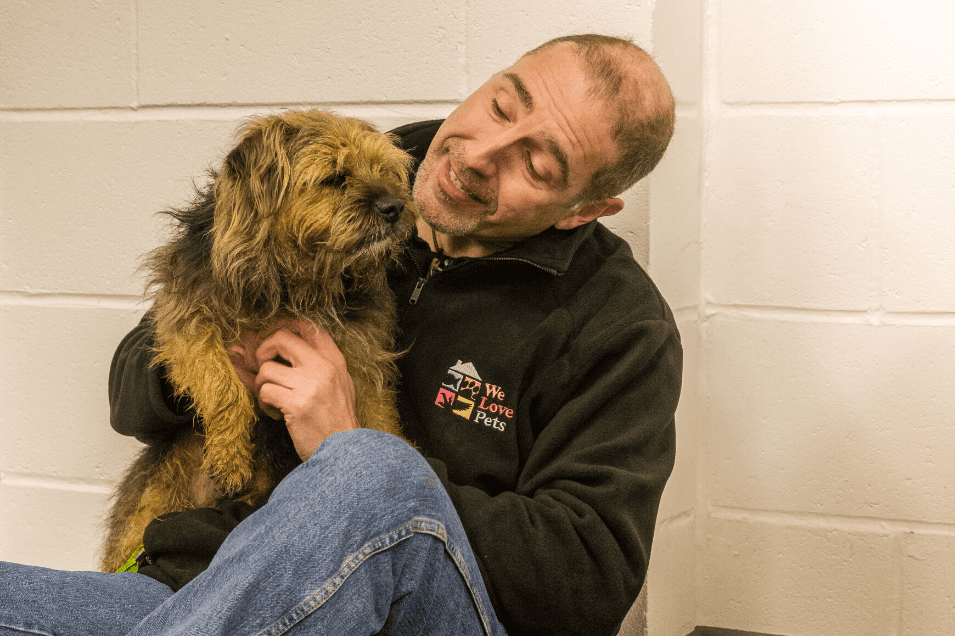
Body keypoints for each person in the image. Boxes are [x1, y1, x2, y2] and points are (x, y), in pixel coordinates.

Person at [0, 34, 682, 636]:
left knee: (371, 469)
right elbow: (131, 396)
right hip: (212, 591)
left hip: (421, 612)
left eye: (538, 165)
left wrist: (342, 439)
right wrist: (226, 368)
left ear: (584, 209)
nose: (481, 155)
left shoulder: (619, 325)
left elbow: (586, 586)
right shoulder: (360, 164)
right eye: (502, 106)